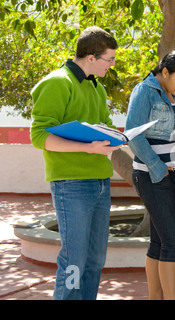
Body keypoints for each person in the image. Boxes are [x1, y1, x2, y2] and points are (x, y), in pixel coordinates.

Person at [30, 27, 119, 300]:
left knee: (94, 262)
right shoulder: (57, 82)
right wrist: (88, 148)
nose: (113, 65)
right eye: (110, 59)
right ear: (91, 57)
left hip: (101, 182)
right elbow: (39, 136)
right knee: (74, 262)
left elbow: (106, 126)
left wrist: (119, 137)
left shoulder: (97, 87)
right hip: (72, 185)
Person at [125, 50, 175, 300]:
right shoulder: (145, 91)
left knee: (159, 241)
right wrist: (158, 167)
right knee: (173, 241)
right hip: (152, 175)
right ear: (165, 72)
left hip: (172, 175)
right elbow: (132, 134)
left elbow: (174, 138)